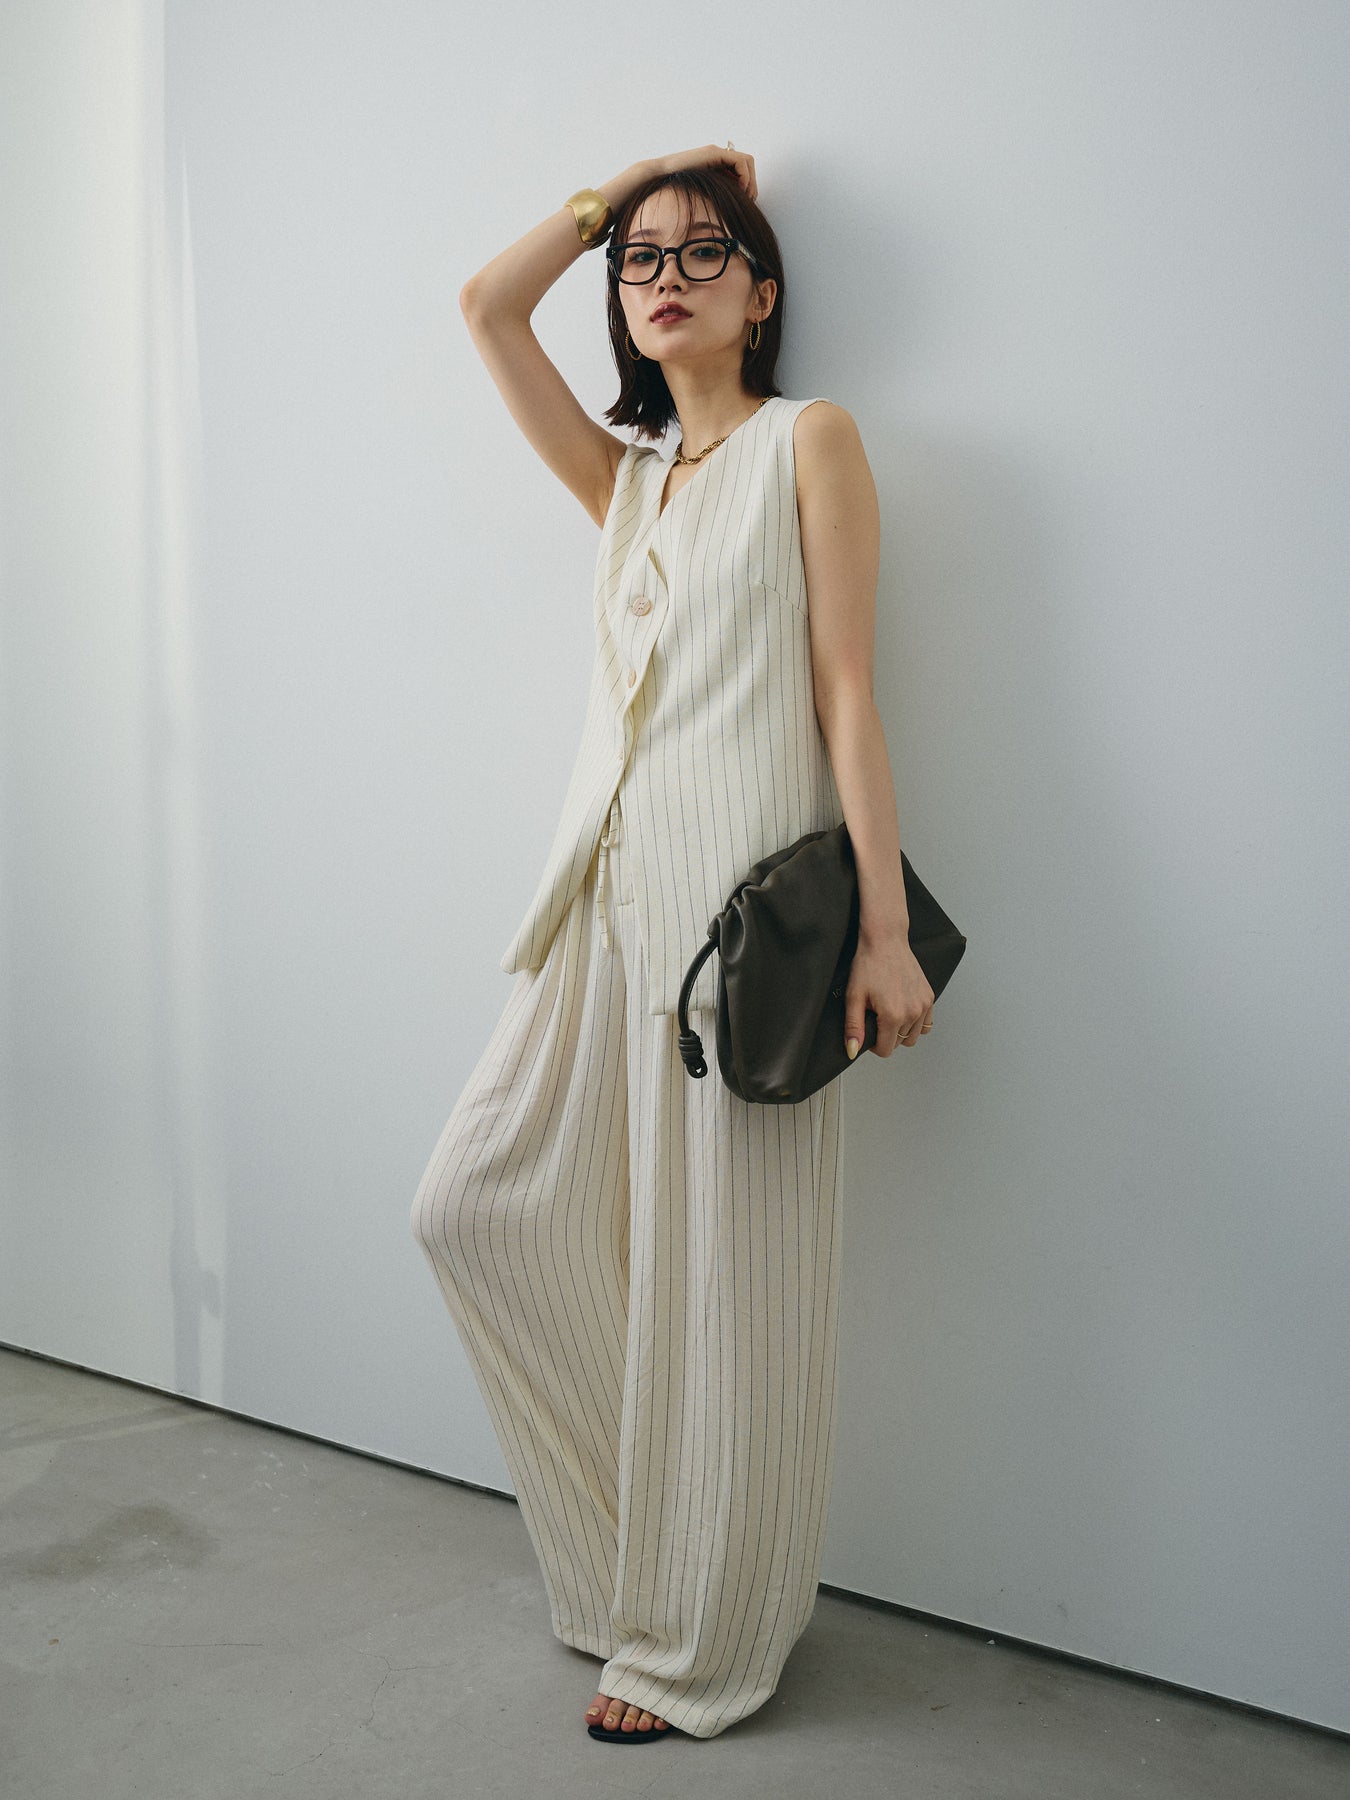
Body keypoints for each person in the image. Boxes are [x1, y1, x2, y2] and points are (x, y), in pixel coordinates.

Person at [410, 143, 935, 1745]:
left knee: (731, 1300)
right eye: (642, 257)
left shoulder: (806, 441)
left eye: (705, 251)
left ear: (761, 296)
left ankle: (707, 1641)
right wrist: (627, 187)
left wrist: (883, 932)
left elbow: (845, 690)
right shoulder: (624, 478)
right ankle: (638, 1564)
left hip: (747, 933)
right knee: (473, 1210)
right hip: (600, 907)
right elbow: (485, 307)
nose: (664, 275)